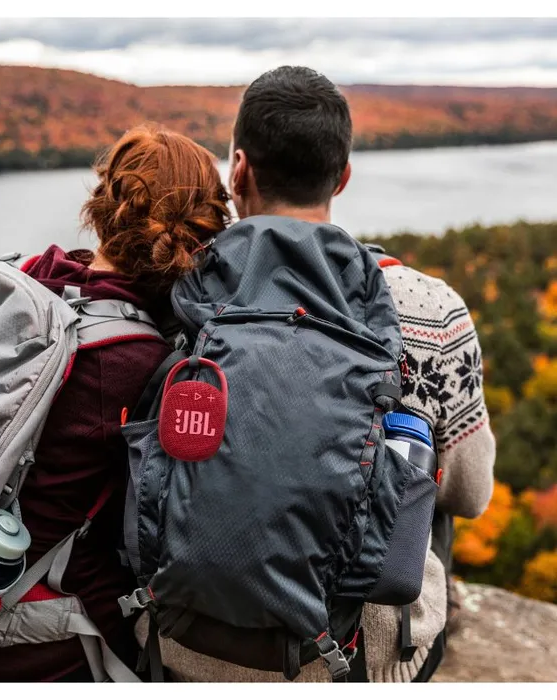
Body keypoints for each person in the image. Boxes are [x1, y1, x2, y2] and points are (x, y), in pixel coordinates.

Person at [138, 66, 496, 682]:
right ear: (343, 176)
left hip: (183, 639)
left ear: (240, 170)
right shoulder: (431, 310)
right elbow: (470, 492)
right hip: (351, 658)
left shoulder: (182, 293)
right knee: (424, 483)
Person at [0, 124, 230, 682]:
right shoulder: (136, 360)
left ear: (104, 204)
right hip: (35, 635)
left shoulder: (26, 282)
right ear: (198, 235)